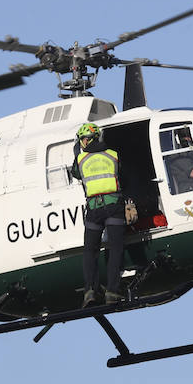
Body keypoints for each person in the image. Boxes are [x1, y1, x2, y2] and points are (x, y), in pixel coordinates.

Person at [72, 122, 126, 305]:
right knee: (116, 248)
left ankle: (90, 292)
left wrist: (76, 153)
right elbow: (123, 175)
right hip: (114, 206)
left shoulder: (80, 159)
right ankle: (112, 292)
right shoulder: (114, 155)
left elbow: (76, 174)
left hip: (94, 209)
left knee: (90, 251)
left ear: (84, 140)